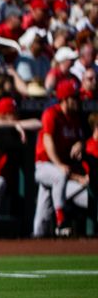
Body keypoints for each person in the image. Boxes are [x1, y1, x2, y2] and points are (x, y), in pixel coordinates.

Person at [33, 79, 89, 237]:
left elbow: (81, 143)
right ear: (65, 99)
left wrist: (81, 144)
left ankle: (36, 240)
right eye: (75, 97)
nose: (78, 101)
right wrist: (59, 165)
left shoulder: (75, 118)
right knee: (60, 175)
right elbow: (47, 140)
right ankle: (61, 219)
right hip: (44, 166)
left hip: (64, 173)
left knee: (43, 211)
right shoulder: (52, 113)